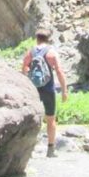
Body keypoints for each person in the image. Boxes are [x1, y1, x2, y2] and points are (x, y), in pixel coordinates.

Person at [21, 28, 68, 158]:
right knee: (50, 118)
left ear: (37, 38)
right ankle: (50, 149)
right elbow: (59, 71)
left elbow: (24, 68)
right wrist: (64, 90)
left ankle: (27, 149)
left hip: (33, 89)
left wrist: (26, 84)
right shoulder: (51, 53)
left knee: (30, 118)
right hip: (48, 89)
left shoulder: (30, 52)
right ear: (48, 39)